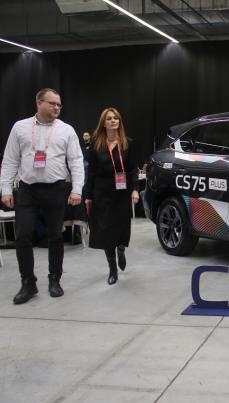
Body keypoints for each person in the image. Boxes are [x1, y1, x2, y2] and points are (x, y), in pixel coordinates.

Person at [0, 88, 84, 304]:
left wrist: (77, 189)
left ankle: (55, 279)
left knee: (55, 235)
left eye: (59, 104)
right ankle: (28, 282)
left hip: (55, 188)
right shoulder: (20, 127)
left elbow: (76, 161)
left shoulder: (66, 130)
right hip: (27, 190)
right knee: (23, 236)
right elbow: (10, 160)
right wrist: (6, 189)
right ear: (39, 103)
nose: (57, 107)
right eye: (53, 103)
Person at [84, 107, 139, 285]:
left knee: (121, 228)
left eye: (116, 118)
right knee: (106, 231)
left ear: (119, 122)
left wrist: (135, 189)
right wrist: (88, 196)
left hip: (122, 193)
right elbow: (91, 173)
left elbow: (133, 170)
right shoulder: (96, 145)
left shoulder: (128, 143)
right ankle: (112, 269)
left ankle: (121, 249)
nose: (113, 121)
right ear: (103, 123)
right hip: (102, 194)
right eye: (109, 118)